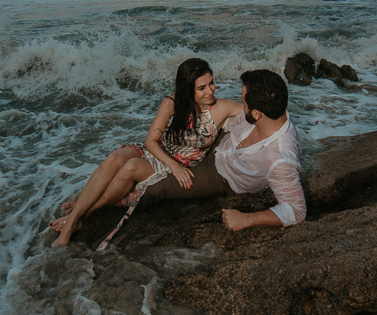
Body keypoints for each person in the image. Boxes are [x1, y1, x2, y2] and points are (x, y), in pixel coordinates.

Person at [50, 58, 242, 247]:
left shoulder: (222, 107)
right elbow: (151, 141)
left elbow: (258, 111)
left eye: (211, 83)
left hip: (178, 162)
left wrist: (175, 166)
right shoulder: (172, 103)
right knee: (115, 158)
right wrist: (173, 166)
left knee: (130, 168)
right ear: (186, 89)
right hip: (159, 152)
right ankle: (75, 218)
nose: (211, 91)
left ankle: (81, 213)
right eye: (202, 88)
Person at [136, 68, 306, 233]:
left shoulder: (279, 159)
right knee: (138, 160)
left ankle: (113, 206)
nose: (241, 106)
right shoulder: (270, 110)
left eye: (244, 103)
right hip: (218, 141)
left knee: (153, 189)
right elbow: (231, 120)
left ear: (256, 114)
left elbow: (296, 211)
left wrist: (247, 219)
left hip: (221, 174)